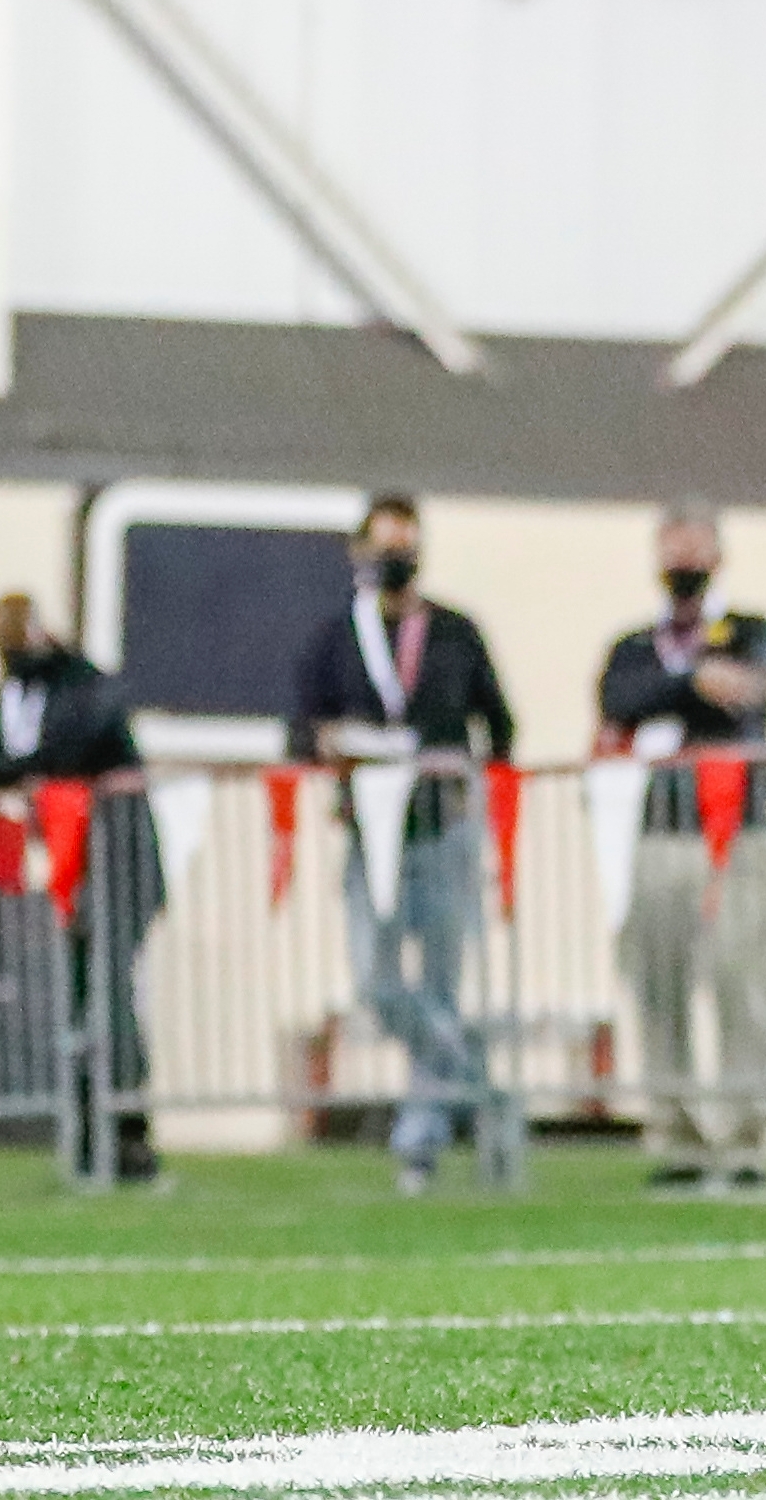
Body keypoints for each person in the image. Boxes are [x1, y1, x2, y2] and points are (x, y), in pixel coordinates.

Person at [290, 496, 514, 1195]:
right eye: (385, 545)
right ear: (360, 551)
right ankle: (481, 1085)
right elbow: (300, 729)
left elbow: (500, 723)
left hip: (441, 829)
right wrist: (332, 745)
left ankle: (419, 1142)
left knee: (443, 983)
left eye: (406, 545)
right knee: (378, 981)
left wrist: (470, 786)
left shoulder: (454, 632)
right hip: (370, 832)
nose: (397, 558)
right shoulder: (335, 637)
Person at [596, 503, 766, 1197]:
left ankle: (743, 1139)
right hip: (660, 834)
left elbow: (744, 695)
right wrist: (688, 683)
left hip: (739, 831)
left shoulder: (751, 630)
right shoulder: (635, 645)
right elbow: (620, 698)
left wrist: (682, 695)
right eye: (673, 549)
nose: (684, 563)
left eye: (695, 549)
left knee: (742, 982)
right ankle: (676, 1133)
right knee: (660, 986)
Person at [0, 595, 162, 1186]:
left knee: (109, 996)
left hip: (115, 862)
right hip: (67, 866)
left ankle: (127, 1133)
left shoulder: (84, 684)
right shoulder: (13, 695)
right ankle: (91, 1132)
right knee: (77, 1000)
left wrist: (9, 770)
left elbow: (65, 751)